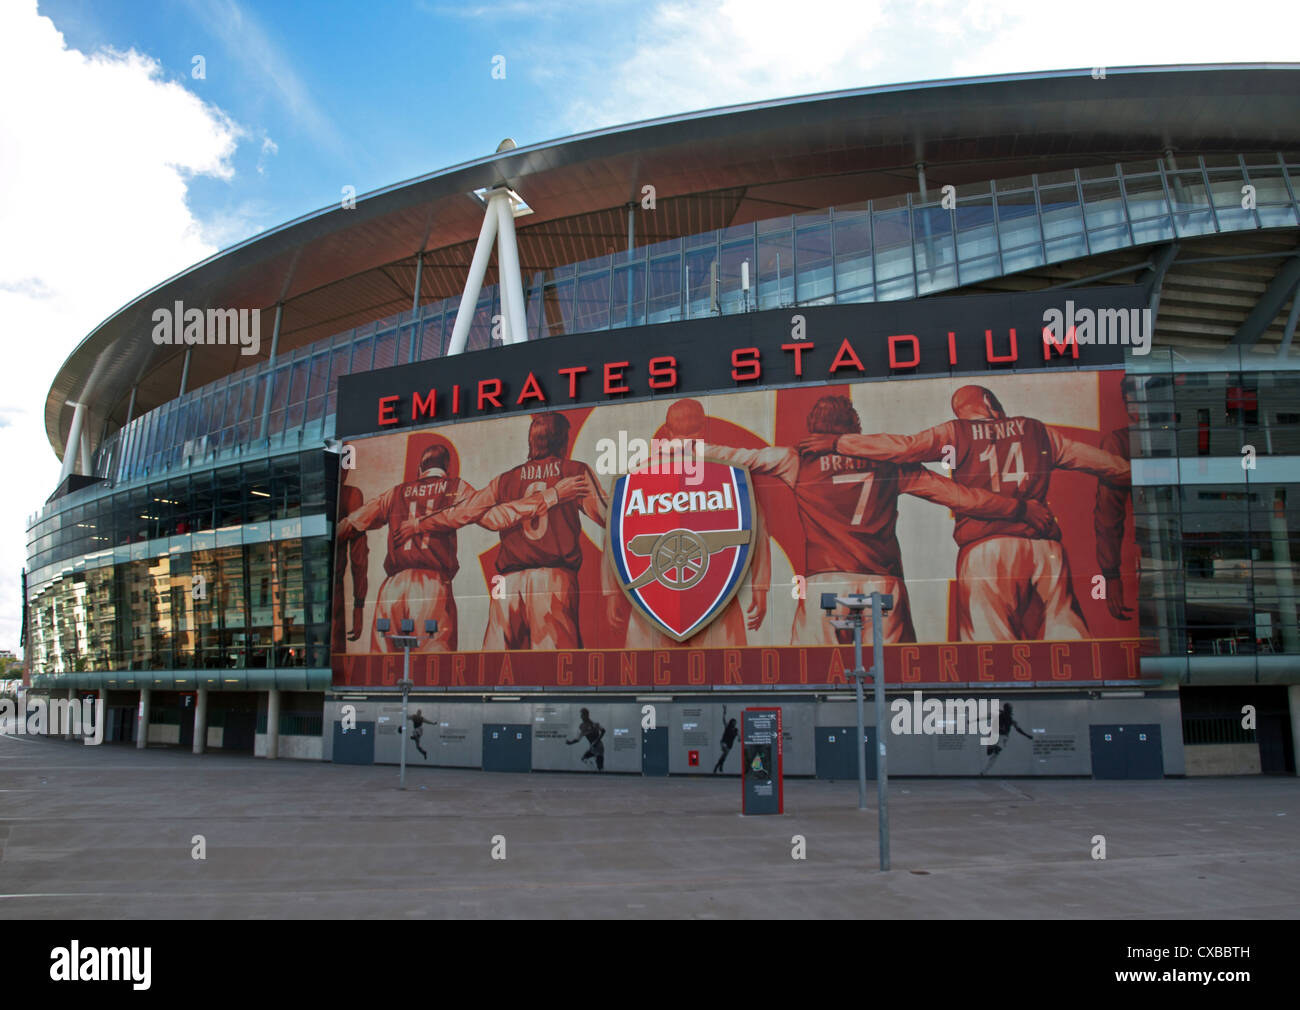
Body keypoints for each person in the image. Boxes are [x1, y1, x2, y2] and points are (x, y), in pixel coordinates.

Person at [707, 394, 1056, 645]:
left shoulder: (793, 460)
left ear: (814, 429)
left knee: (812, 683)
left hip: (824, 584)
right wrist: (1020, 509)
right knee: (895, 686)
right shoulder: (891, 464)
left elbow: (734, 456)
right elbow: (962, 498)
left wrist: (676, 449)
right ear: (855, 429)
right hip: (882, 586)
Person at [801, 384, 1129, 641]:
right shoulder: (1038, 431)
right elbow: (1108, 467)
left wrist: (839, 444)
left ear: (963, 411)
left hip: (986, 548)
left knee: (989, 642)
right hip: (1045, 547)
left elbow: (904, 448)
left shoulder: (956, 432)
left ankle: (998, 718)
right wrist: (1158, 475)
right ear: (991, 405)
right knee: (1064, 626)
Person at [982, 702, 1033, 774]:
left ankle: (984, 771)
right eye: (1008, 710)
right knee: (989, 753)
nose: (1009, 712)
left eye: (1009, 711)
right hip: (994, 734)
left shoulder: (1011, 720)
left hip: (1003, 737)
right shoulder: (998, 715)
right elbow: (985, 718)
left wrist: (1027, 735)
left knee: (997, 751)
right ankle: (991, 747)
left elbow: (1018, 729)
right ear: (1005, 710)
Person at [713, 708, 738, 774]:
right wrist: (724, 712)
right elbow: (724, 720)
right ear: (731, 722)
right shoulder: (728, 727)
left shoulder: (735, 730)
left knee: (724, 756)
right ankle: (719, 766)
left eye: (735, 722)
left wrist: (739, 738)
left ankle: (718, 765)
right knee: (725, 753)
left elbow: (739, 735)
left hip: (729, 745)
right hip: (724, 742)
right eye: (733, 722)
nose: (734, 723)